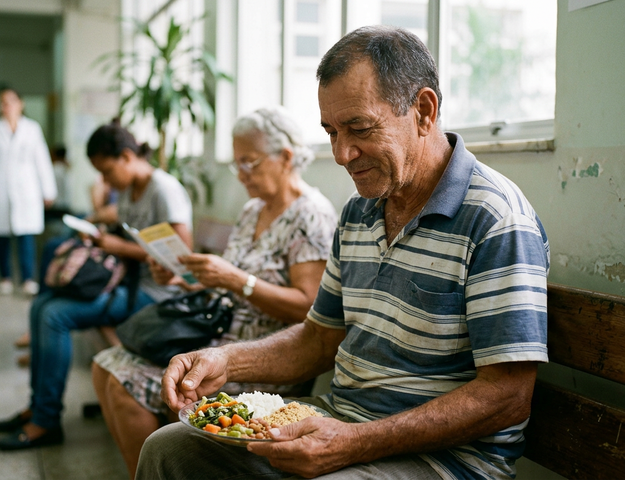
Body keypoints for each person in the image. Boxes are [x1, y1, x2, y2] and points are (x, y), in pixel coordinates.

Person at [138, 26, 550, 480]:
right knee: (170, 449)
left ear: (424, 111)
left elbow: (507, 396)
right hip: (344, 420)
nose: (341, 153)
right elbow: (318, 339)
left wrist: (353, 443)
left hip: (445, 460)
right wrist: (225, 360)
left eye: (359, 128)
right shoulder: (359, 210)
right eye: (331, 131)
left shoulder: (494, 218)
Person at [91, 106, 338, 477]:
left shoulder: (312, 215)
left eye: (249, 163)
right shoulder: (254, 209)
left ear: (286, 157)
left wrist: (237, 280)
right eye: (236, 164)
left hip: (263, 355)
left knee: (123, 385)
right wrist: (180, 275)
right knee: (106, 364)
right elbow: (226, 280)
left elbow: (309, 308)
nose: (240, 175)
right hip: (217, 334)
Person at [0, 118, 193, 451]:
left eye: (107, 171)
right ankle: (38, 404)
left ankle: (46, 420)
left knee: (54, 315)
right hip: (128, 284)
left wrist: (119, 248)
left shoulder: (164, 189)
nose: (105, 180)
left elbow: (182, 259)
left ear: (127, 157)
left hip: (157, 295)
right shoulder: (130, 190)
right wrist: (102, 237)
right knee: (42, 304)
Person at [0, 87, 57, 296]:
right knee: (1, 237)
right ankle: (4, 278)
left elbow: (42, 161)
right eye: (2, 102)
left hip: (26, 188)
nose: (7, 106)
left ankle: (28, 279)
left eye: (11, 101)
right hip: (0, 188)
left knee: (26, 236)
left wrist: (48, 189)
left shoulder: (32, 129)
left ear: (20, 104)